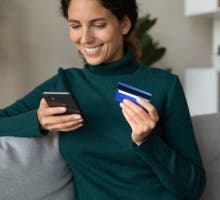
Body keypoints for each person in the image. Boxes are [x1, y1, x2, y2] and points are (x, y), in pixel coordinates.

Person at [0, 0, 206, 199]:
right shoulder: (65, 84)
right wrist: (38, 121)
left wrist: (148, 141)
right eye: (75, 26)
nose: (85, 38)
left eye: (98, 25)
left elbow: (193, 187)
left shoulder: (164, 86)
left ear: (124, 24)